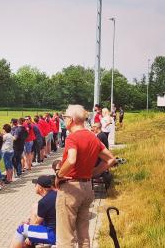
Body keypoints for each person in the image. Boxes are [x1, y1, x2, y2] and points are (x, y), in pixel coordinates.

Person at [55, 104, 116, 248]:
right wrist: (94, 172)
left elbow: (71, 159)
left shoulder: (72, 137)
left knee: (65, 237)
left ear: (71, 119)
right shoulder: (93, 137)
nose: (64, 120)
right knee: (84, 235)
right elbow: (111, 159)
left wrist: (59, 175)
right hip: (87, 187)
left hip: (71, 188)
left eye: (65, 117)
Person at [10, 175, 57, 248]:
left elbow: (36, 223)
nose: (34, 186)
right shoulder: (55, 195)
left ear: (41, 188)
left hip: (52, 234)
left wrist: (29, 237)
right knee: (27, 226)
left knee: (21, 229)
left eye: (36, 185)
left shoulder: (44, 202)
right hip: (59, 231)